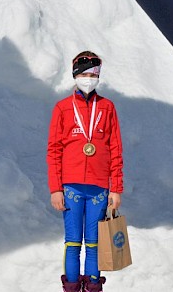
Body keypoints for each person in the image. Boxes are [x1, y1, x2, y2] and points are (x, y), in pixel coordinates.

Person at [46, 51, 124, 292]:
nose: (89, 79)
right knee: (72, 243)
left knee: (93, 243)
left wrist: (116, 189)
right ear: (76, 75)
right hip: (70, 188)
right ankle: (70, 288)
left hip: (99, 188)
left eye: (94, 75)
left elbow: (116, 149)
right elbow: (54, 151)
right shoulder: (62, 108)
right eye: (85, 74)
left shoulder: (107, 107)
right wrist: (55, 189)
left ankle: (92, 288)